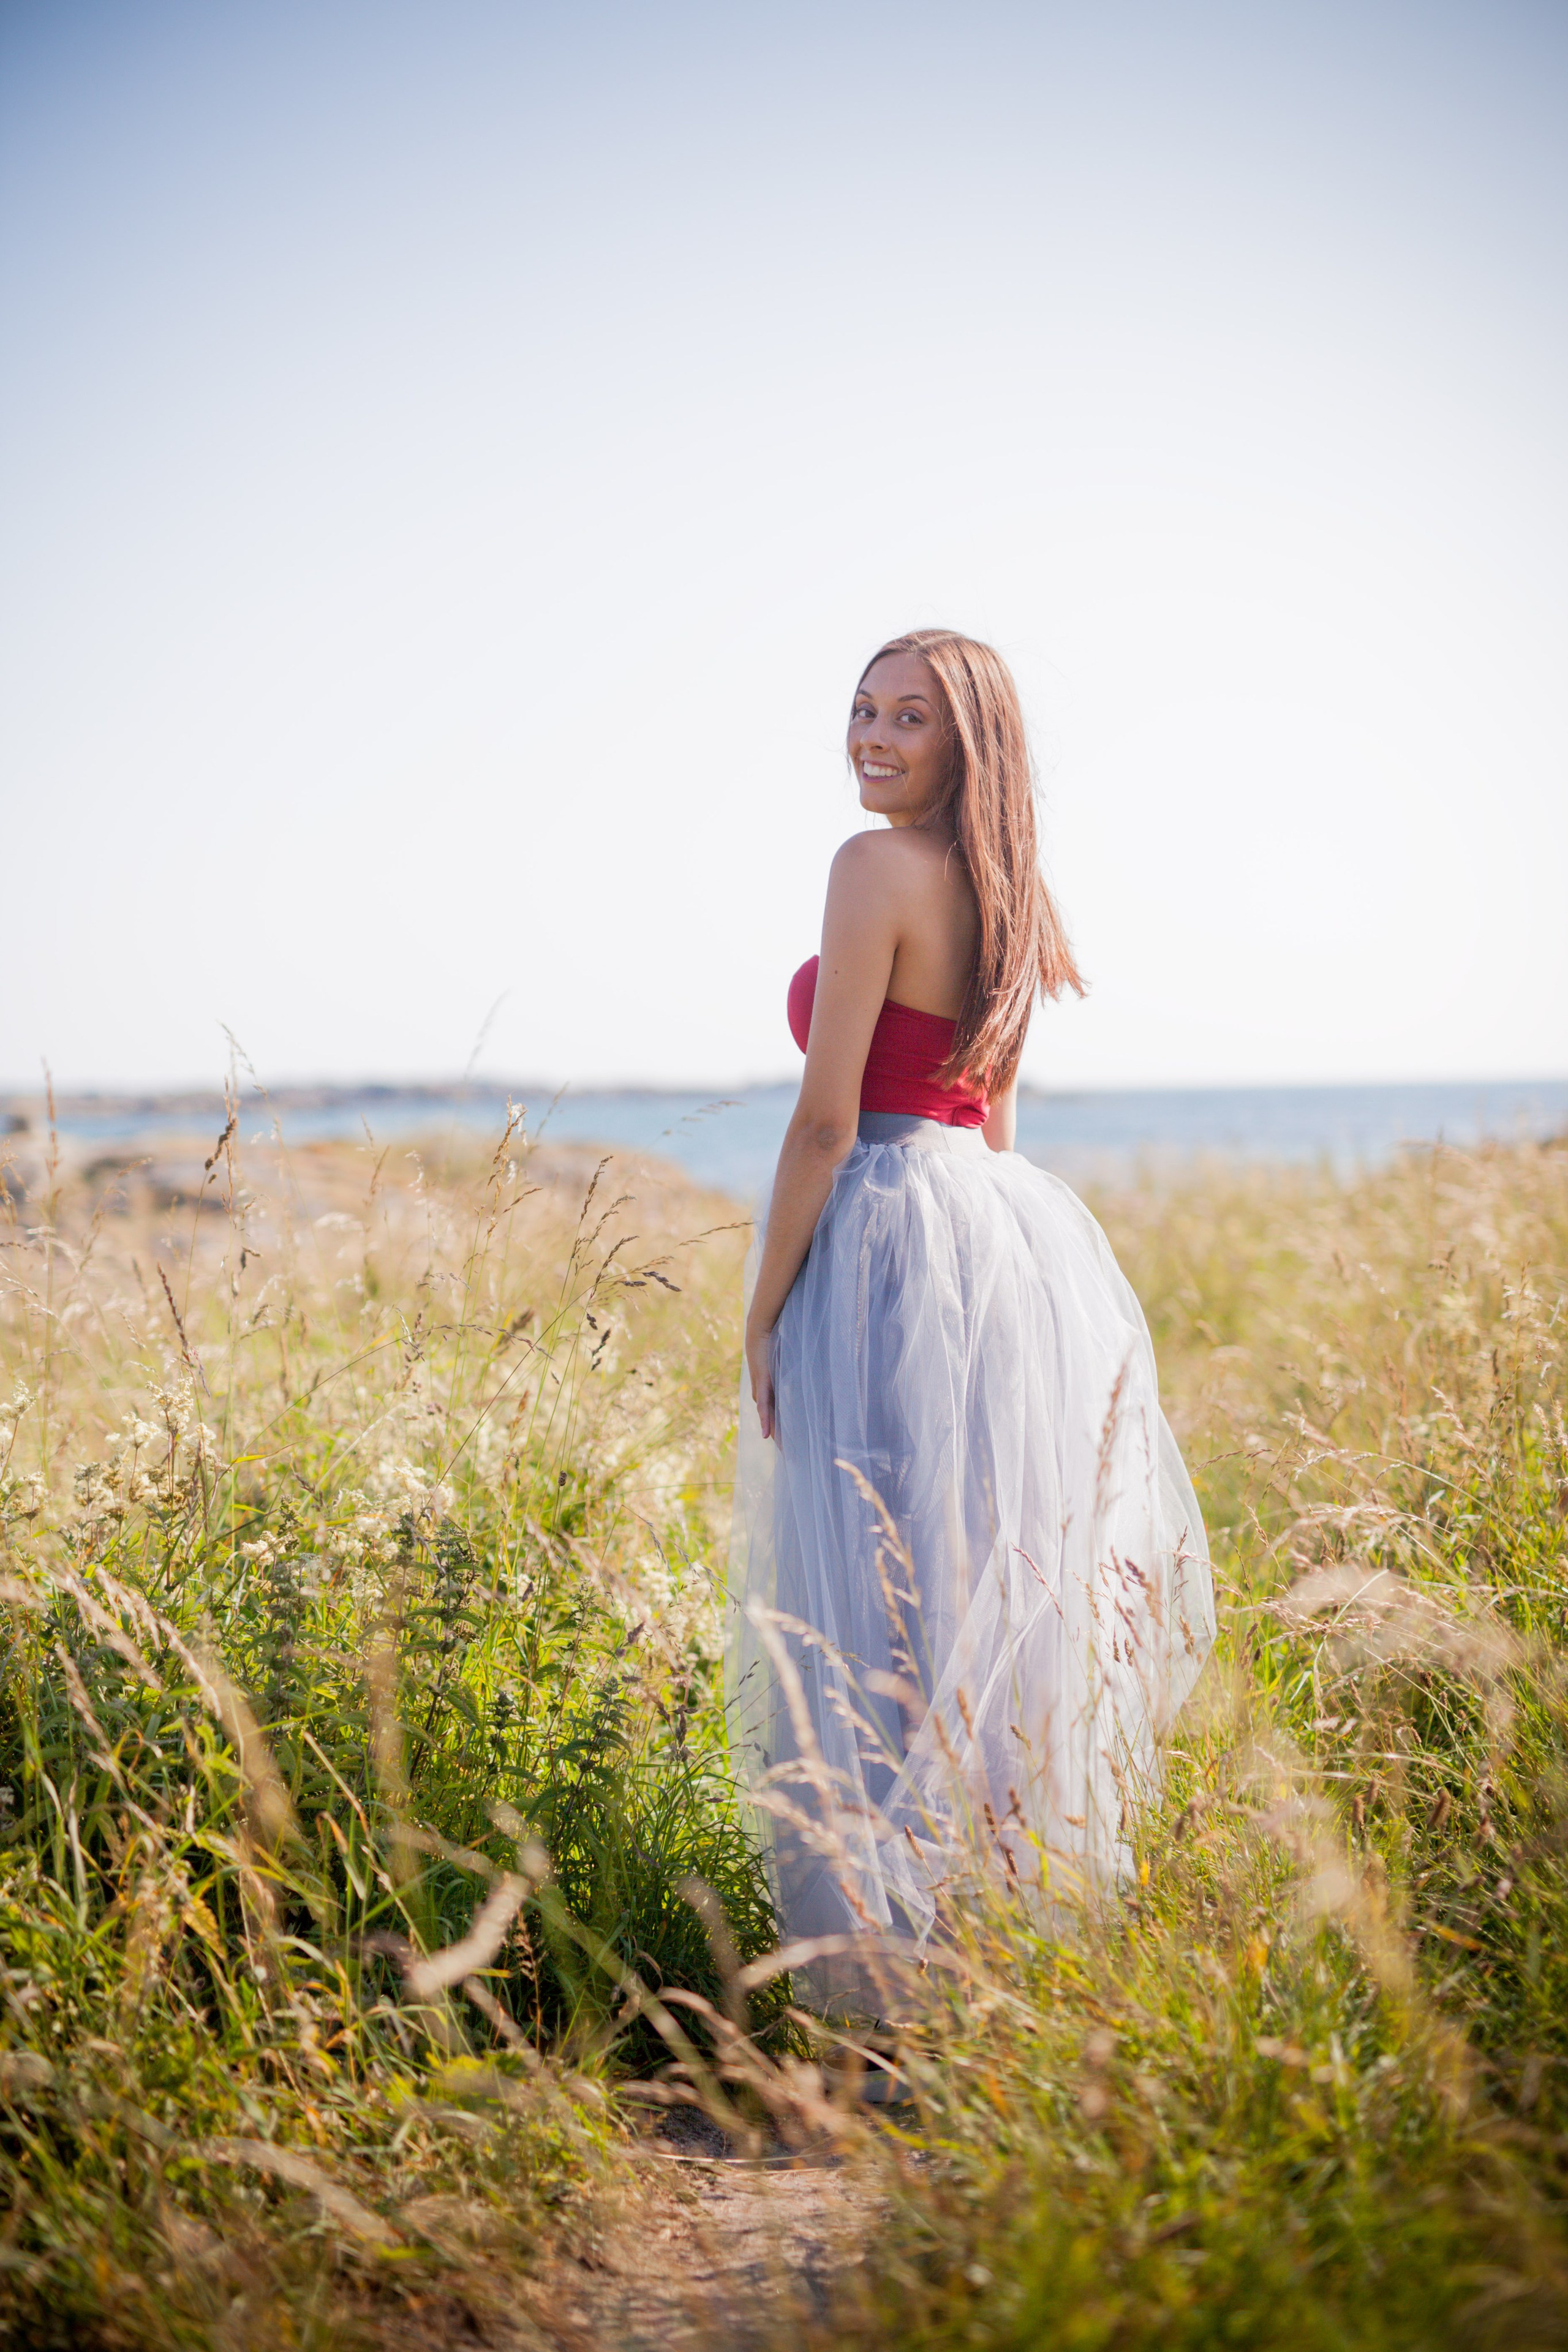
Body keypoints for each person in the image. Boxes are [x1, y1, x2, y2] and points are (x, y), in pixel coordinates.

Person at [726, 629, 1214, 2010]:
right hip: (997, 1235)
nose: (872, 738)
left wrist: (765, 1309)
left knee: (869, 1597)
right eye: (861, 710)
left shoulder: (867, 869)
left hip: (884, 1228)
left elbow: (825, 1124)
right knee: (974, 1581)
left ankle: (885, 1977)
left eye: (907, 719)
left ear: (965, 743)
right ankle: (998, 1944)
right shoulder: (1009, 884)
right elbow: (994, 1114)